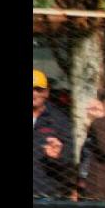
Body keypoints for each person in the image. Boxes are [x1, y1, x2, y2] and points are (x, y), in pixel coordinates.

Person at [32, 69, 75, 199]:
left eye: (38, 89)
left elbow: (69, 156)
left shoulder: (59, 120)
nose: (33, 93)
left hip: (46, 193)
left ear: (46, 93)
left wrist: (58, 155)